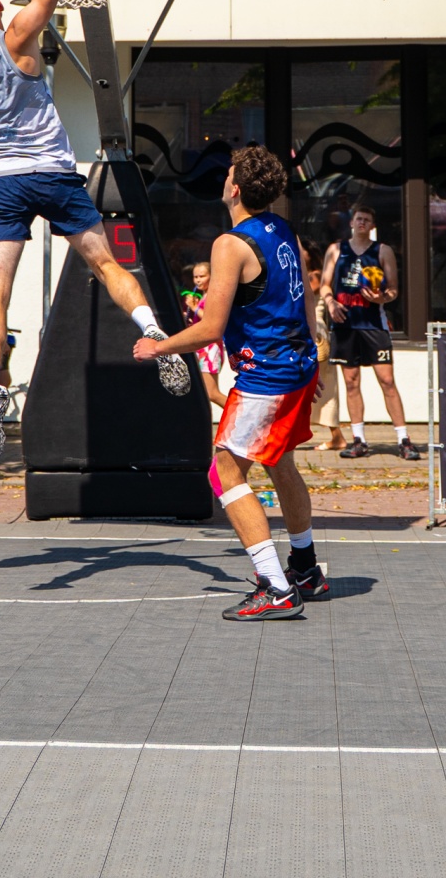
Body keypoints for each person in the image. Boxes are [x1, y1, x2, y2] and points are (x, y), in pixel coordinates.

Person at [0, 0, 189, 463]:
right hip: (52, 174)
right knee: (105, 263)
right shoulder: (19, 33)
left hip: (2, 181)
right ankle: (153, 331)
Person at [134, 146, 323, 619]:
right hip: (297, 365)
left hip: (268, 375)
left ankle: (275, 587)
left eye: (228, 175)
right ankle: (305, 569)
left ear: (234, 189)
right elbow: (303, 298)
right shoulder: (283, 229)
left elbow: (211, 328)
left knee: (223, 472)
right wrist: (309, 355)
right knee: (280, 462)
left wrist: (159, 346)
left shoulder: (230, 244)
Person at [319, 206, 419, 461]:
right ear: (351, 222)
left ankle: (404, 439)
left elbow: (393, 290)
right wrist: (330, 303)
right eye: (359, 219)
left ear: (372, 225)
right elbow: (324, 285)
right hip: (345, 324)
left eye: (367, 220)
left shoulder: (382, 250)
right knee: (351, 382)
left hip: (373, 324)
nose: (362, 223)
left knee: (387, 381)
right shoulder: (336, 249)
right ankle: (359, 440)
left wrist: (381, 297)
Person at [301, 238, 342, 449]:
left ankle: (337, 436)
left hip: (315, 331)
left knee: (321, 382)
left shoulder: (314, 275)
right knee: (315, 383)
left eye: (301, 250)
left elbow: (306, 293)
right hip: (304, 329)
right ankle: (336, 436)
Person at [184, 260, 226, 409]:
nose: (198, 280)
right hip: (202, 347)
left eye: (202, 276)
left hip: (210, 348)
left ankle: (242, 415)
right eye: (195, 277)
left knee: (211, 393)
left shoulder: (213, 297)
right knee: (202, 392)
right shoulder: (203, 296)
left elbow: (212, 321)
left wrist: (194, 308)